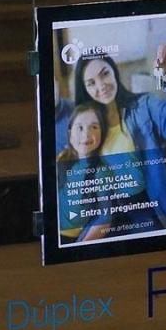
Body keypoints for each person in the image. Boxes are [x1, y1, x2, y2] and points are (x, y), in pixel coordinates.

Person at [66, 44, 166, 230]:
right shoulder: (83, 126)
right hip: (102, 215)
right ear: (85, 89)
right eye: (91, 83)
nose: (101, 85)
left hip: (147, 209)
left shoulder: (144, 107)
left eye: (104, 74)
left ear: (114, 72)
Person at [56, 100, 117, 242]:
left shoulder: (101, 171)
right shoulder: (62, 159)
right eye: (80, 128)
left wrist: (79, 246)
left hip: (70, 238)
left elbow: (105, 217)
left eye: (94, 127)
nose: (86, 134)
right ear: (70, 134)